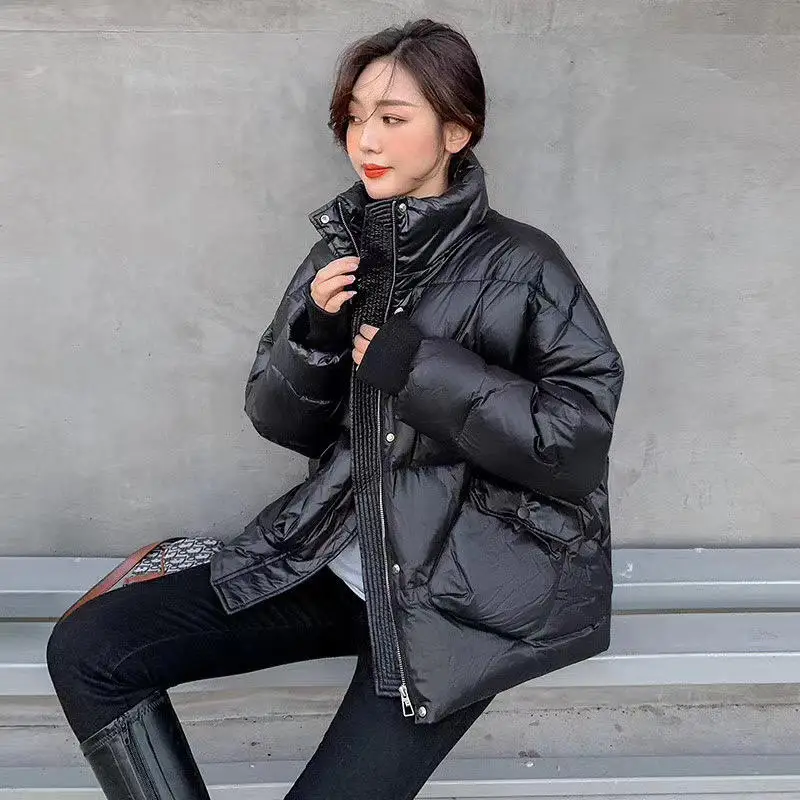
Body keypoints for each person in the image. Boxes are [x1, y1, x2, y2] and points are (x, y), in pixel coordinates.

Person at [46, 18, 625, 800]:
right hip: (336, 556)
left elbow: (575, 441)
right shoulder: (344, 251)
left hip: (461, 593)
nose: (366, 140)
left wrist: (416, 369)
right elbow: (279, 420)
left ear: (457, 131)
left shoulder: (525, 266)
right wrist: (315, 334)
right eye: (355, 118)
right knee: (91, 650)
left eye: (393, 117)